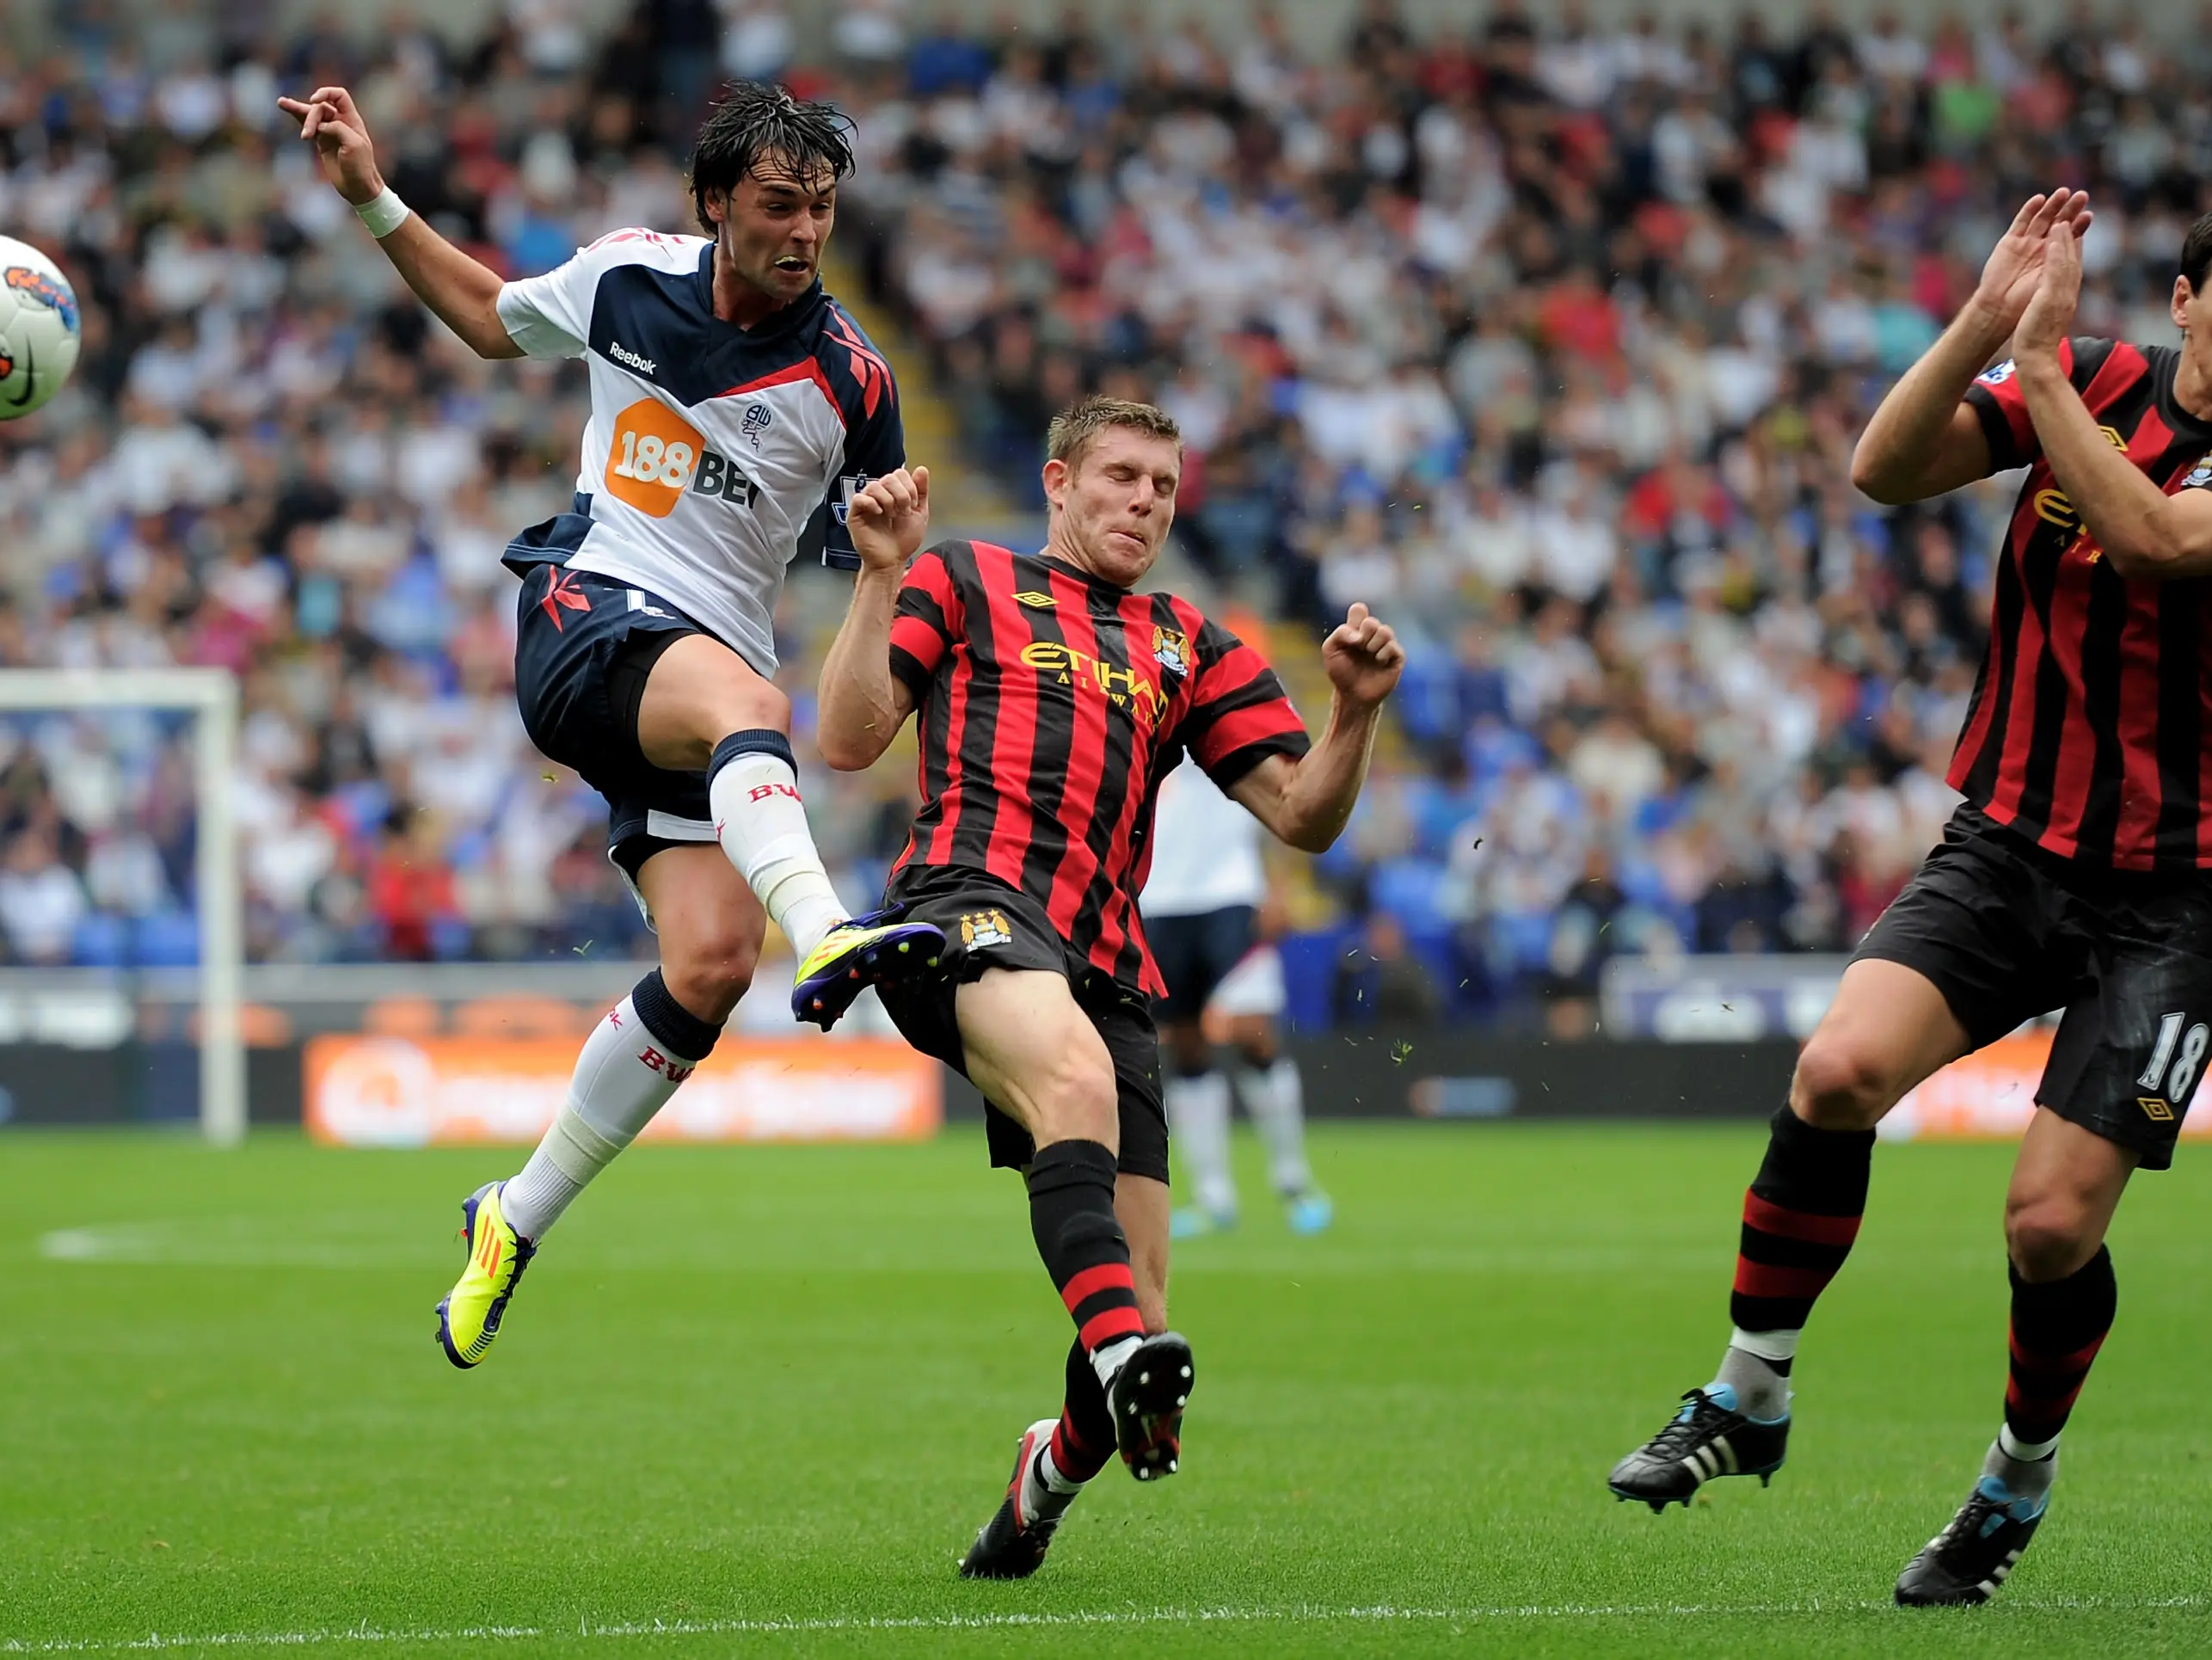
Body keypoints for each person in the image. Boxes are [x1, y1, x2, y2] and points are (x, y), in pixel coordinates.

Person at [1607, 187, 2212, 1607]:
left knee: (2047, 1228)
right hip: (2010, 844)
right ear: (2185, 302)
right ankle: (1748, 1397)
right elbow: (1884, 469)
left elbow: (2154, 540)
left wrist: (2048, 357)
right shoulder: (2104, 378)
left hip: (2180, 895)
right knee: (1835, 1072)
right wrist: (1986, 324)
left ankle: (2015, 1478)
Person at [280, 80, 949, 1369]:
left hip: (696, 688)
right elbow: (486, 321)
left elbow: (887, 574)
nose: (806, 231)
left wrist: (880, 566)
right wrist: (369, 191)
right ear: (714, 206)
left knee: (708, 964)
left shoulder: (855, 379)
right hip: (588, 613)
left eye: (821, 208)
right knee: (756, 709)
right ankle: (829, 932)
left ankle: (511, 1216)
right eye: (778, 205)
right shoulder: (626, 277)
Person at [815, 397, 1403, 1579]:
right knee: (1080, 1113)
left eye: (1164, 486)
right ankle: (1124, 1342)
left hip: (1106, 959)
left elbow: (1304, 815)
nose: (1144, 500)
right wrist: (879, 575)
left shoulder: (1194, 639)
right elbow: (847, 736)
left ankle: (1042, 1480)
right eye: (1122, 477)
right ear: (1061, 482)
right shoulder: (966, 577)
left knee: (1133, 1301)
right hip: (963, 907)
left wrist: (1353, 712)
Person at [1144, 760, 1332, 1238]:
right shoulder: (1127, 693)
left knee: (1253, 1032)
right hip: (1158, 899)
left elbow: (1283, 783)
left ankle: (1294, 1181)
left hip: (1231, 892)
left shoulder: (1223, 696)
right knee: (1184, 1042)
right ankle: (1213, 1196)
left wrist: (1281, 885)